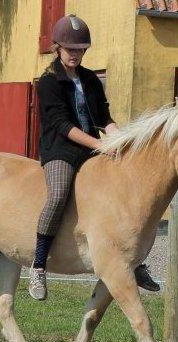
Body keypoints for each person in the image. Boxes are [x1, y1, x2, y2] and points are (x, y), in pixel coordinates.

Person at [29, 14, 160, 300]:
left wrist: (121, 140)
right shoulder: (48, 82)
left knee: (124, 187)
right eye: (70, 49)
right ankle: (38, 265)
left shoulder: (90, 79)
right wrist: (99, 145)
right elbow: (62, 126)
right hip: (60, 150)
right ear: (57, 48)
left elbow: (103, 117)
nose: (75, 54)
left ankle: (133, 261)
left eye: (80, 49)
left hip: (91, 148)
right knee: (58, 193)